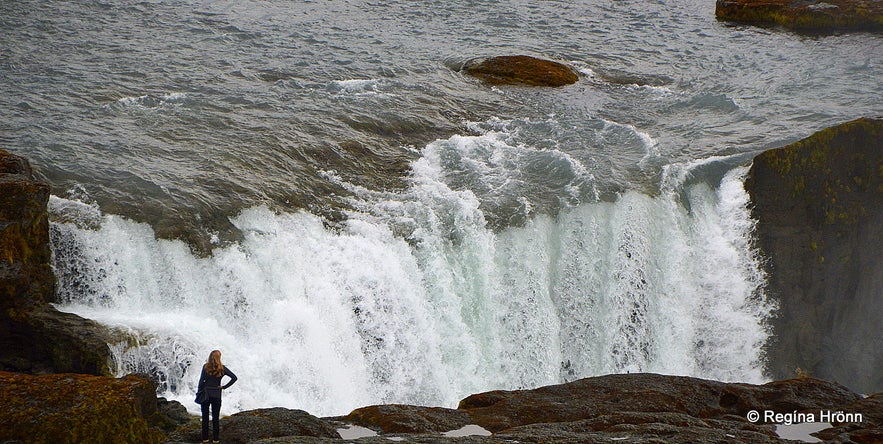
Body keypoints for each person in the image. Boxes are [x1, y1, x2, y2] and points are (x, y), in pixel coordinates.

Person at [197, 350, 238, 444]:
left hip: (206, 393)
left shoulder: (205, 366)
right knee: (216, 418)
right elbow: (234, 378)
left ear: (210, 356)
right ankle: (216, 440)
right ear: (219, 357)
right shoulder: (222, 368)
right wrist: (224, 387)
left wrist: (199, 392)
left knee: (205, 417)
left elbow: (201, 381)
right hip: (216, 394)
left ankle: (205, 439)